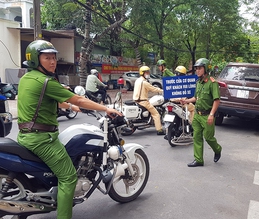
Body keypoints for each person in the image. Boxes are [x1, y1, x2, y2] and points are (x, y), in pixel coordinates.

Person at [18, 39, 123, 219]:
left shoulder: (27, 78)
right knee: (68, 177)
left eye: (54, 58)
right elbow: (79, 99)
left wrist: (74, 108)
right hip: (42, 140)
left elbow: (53, 101)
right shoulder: (45, 82)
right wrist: (106, 108)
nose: (52, 62)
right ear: (36, 59)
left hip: (26, 135)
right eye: (47, 58)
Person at [180, 58, 222, 167]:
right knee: (196, 137)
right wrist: (186, 101)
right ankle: (198, 160)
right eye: (196, 69)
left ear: (206, 69)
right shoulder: (198, 82)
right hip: (197, 115)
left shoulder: (213, 83)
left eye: (199, 68)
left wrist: (212, 114)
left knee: (208, 137)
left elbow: (216, 100)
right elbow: (195, 98)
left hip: (207, 115)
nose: (197, 71)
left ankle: (217, 149)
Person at [133, 66, 165, 135]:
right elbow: (153, 89)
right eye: (147, 72)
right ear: (143, 73)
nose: (148, 73)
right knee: (156, 114)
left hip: (137, 100)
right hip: (143, 101)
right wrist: (163, 90)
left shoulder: (138, 80)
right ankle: (159, 130)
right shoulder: (144, 82)